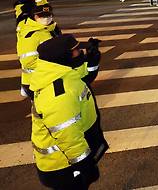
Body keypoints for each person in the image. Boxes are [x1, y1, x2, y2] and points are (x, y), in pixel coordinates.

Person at [31, 34, 108, 190]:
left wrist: (92, 61)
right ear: (63, 57)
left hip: (68, 159)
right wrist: (84, 163)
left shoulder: (62, 72)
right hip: (63, 165)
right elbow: (68, 135)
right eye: (76, 51)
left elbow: (83, 76)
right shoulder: (58, 93)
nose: (80, 52)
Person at [16, 3, 61, 100]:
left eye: (49, 16)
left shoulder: (49, 29)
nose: (46, 19)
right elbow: (28, 61)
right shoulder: (30, 34)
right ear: (35, 16)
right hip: (35, 81)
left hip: (46, 78)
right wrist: (56, 66)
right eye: (41, 16)